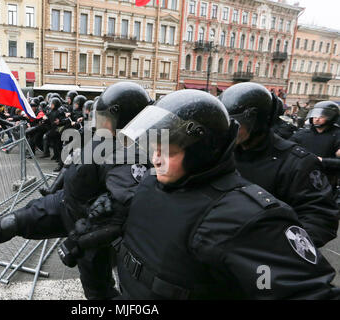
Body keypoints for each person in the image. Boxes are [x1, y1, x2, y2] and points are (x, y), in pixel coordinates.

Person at [0, 82, 153, 300]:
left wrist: (86, 234)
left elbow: (124, 204)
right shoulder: (105, 138)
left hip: (86, 227)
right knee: (10, 223)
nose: (99, 122)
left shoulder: (127, 154)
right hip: (63, 202)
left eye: (106, 118)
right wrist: (56, 187)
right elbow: (75, 162)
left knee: (98, 293)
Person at [113, 89, 340, 299]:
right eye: (154, 148)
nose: (155, 158)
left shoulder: (249, 214)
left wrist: (272, 245)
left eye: (169, 151)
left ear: (200, 152)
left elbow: (304, 290)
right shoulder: (160, 181)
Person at [218, 83, 339, 248]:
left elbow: (320, 219)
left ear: (258, 121)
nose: (228, 129)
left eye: (236, 123)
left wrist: (277, 247)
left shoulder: (297, 163)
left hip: (262, 256)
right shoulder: (222, 154)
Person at [290, 101, 340, 190]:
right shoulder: (302, 133)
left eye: (322, 116)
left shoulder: (337, 135)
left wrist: (322, 160)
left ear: (332, 118)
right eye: (315, 116)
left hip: (325, 181)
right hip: (300, 178)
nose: (317, 119)